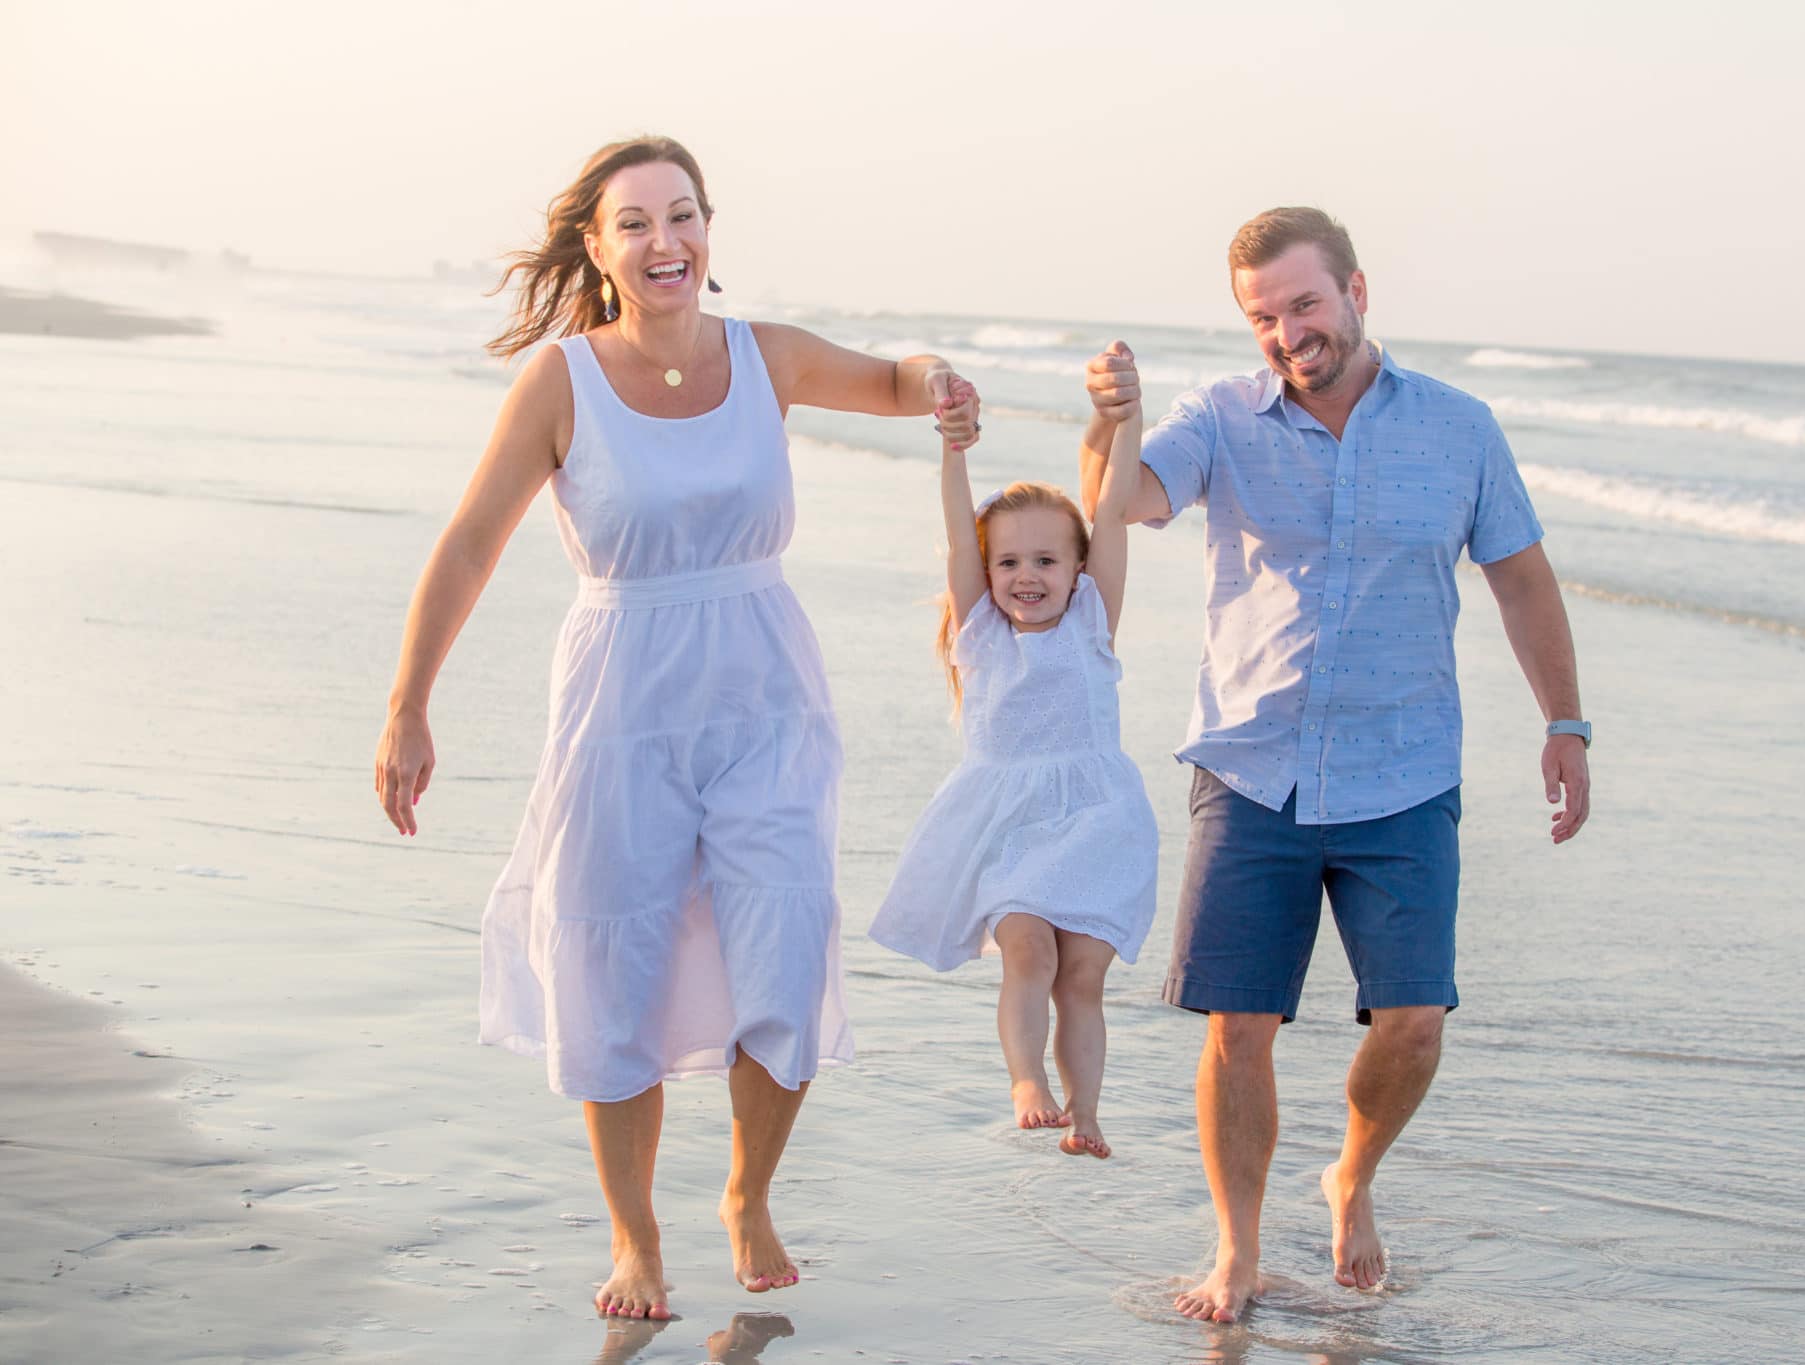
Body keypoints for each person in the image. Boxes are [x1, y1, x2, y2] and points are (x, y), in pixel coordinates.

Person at [371, 135, 982, 1321]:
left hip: (764, 686)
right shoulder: (561, 381)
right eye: (637, 222)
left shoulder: (767, 356)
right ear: (597, 249)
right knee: (614, 964)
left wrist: (936, 374)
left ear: (711, 232)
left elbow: (893, 383)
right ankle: (635, 1241)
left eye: (684, 216)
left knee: (789, 941)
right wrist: (408, 706)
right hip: (620, 697)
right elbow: (468, 542)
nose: (667, 241)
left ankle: (747, 1194)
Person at [1078, 208, 1591, 1321]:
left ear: (1356, 291)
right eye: (1260, 316)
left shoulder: (1459, 428)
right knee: (1239, 1027)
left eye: (1302, 304)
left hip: (1403, 771)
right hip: (1251, 765)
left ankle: (1351, 1176)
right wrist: (1109, 423)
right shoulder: (1216, 415)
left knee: (1412, 1021)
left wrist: (1565, 723)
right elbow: (1122, 504)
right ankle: (1238, 1251)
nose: (1284, 332)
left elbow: (1520, 581)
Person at [868, 364, 1158, 1159]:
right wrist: (953, 446)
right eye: (1009, 564)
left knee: (1084, 979)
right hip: (1011, 826)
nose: (1026, 576)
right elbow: (962, 532)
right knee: (1027, 949)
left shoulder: (1093, 621)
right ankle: (1027, 1079)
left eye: (1046, 562)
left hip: (1098, 820)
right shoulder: (983, 637)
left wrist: (1128, 421)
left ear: (1076, 570)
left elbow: (1112, 515)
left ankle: (1088, 1112)